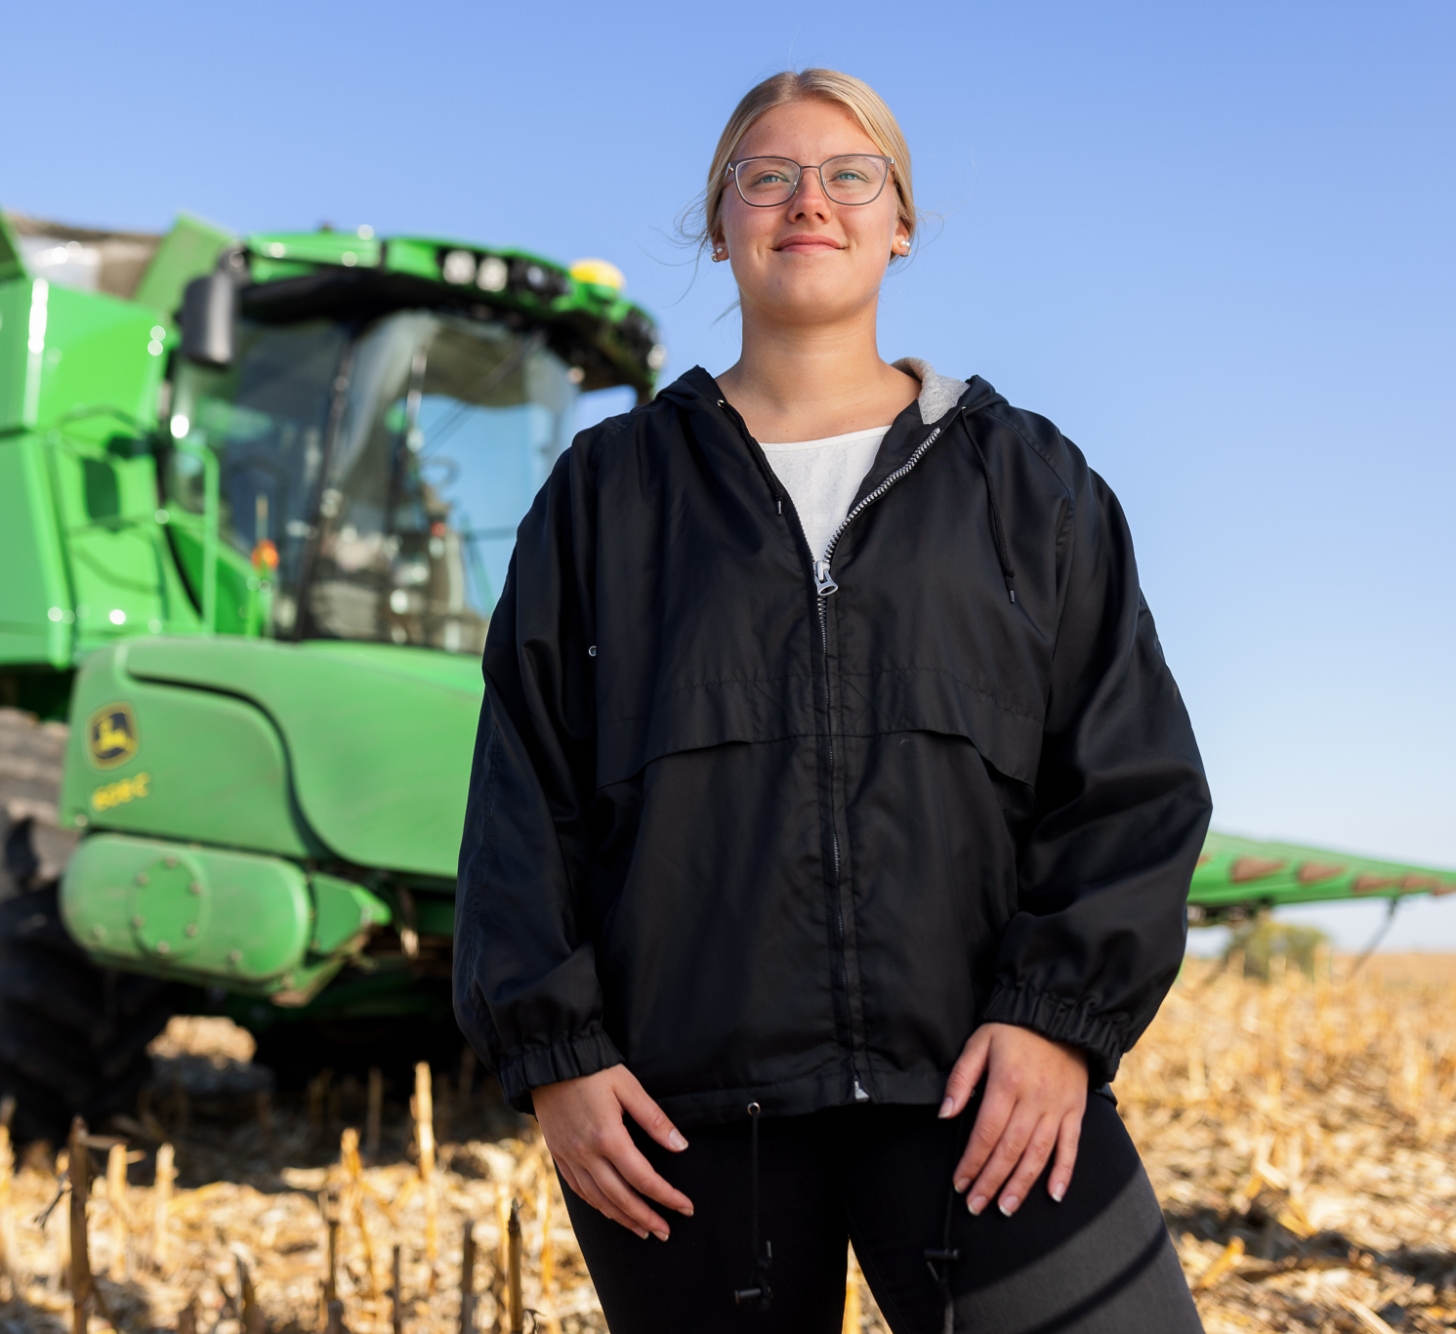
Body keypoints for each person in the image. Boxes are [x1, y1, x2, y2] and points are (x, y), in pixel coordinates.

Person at [453, 68, 1211, 1332]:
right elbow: (520, 791)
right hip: (682, 1113)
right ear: (720, 222)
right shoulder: (606, 491)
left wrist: (1056, 1022)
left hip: (974, 1087)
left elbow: (1130, 769)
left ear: (897, 221)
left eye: (847, 174)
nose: (807, 200)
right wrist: (556, 1057)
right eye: (765, 175)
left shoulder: (1024, 479)